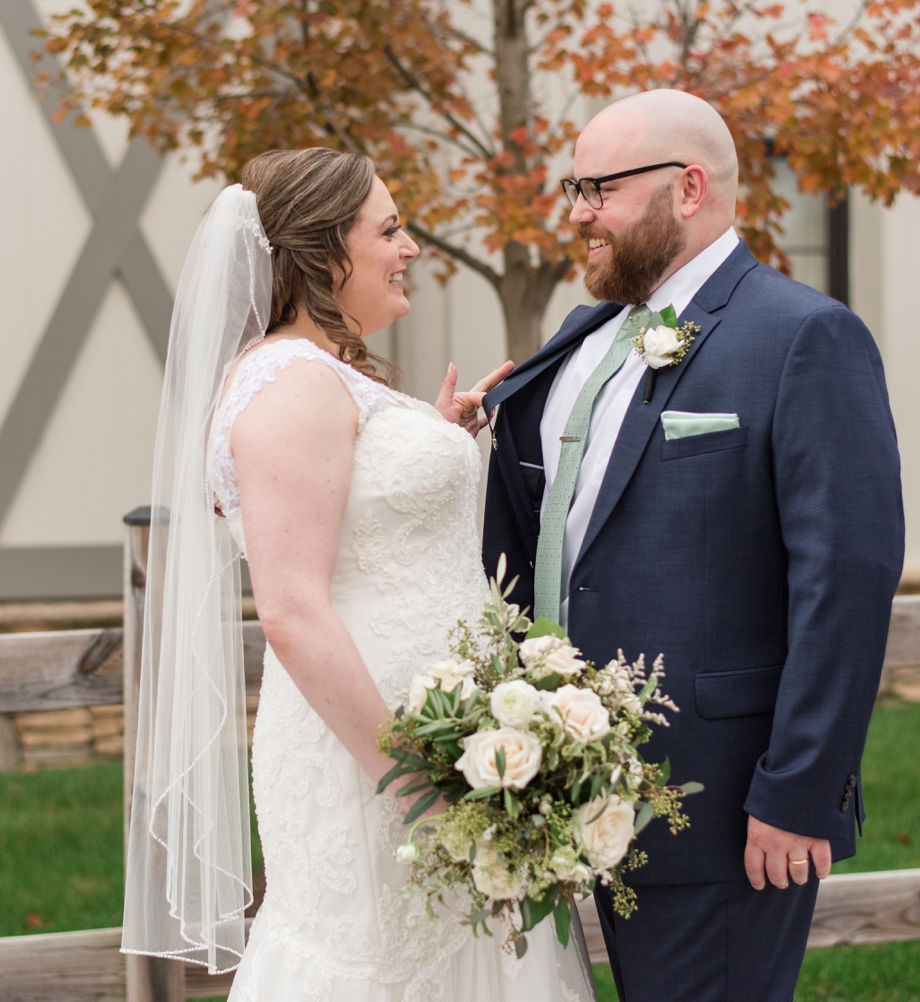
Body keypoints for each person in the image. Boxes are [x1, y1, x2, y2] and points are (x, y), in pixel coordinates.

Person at [121, 147, 595, 1001]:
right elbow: (294, 610)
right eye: (390, 229)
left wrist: (435, 437)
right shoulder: (288, 384)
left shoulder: (321, 376)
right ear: (320, 253)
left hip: (436, 740)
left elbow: (360, 513)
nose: (410, 247)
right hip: (373, 756)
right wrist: (417, 784)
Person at [481, 90, 904, 1001]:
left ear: (690, 187)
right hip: (564, 789)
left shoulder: (803, 338)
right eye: (573, 187)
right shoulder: (580, 340)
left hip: (722, 805)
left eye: (598, 189)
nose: (577, 213)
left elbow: (847, 581)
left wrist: (798, 793)